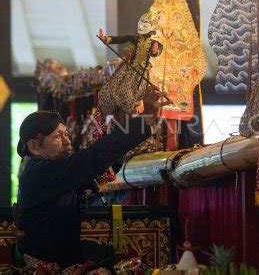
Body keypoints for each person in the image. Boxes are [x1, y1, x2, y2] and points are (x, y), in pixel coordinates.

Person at [16, 85, 169, 268]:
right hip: (48, 267)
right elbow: (91, 160)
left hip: (66, 259)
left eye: (66, 134)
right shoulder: (39, 174)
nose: (67, 141)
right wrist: (145, 117)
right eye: (58, 136)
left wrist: (120, 132)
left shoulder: (51, 171)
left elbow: (97, 168)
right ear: (34, 146)